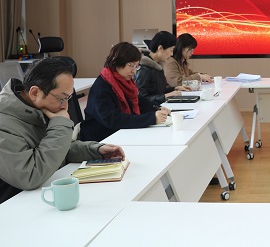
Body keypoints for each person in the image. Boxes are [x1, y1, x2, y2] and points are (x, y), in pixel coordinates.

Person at [0, 58, 125, 204]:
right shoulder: (4, 125)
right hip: (15, 206)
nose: (65, 106)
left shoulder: (35, 108)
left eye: (68, 98)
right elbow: (29, 176)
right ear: (35, 92)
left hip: (41, 196)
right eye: (62, 99)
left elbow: (56, 149)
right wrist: (60, 125)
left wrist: (95, 150)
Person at [80, 42, 169, 142]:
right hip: (100, 140)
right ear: (118, 62)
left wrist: (157, 108)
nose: (134, 71)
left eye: (137, 66)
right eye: (131, 65)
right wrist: (151, 118)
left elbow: (138, 101)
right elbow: (113, 119)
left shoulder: (124, 82)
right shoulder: (102, 86)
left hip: (119, 135)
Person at [135, 31, 191, 111]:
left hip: (159, 109)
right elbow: (141, 99)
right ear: (160, 48)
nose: (172, 54)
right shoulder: (144, 69)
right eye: (171, 50)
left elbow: (157, 91)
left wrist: (175, 88)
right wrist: (165, 96)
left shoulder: (157, 65)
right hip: (151, 113)